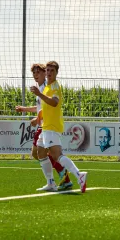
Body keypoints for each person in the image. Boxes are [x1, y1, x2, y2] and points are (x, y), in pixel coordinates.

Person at [31, 61, 88, 193]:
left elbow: (55, 103)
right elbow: (44, 108)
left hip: (52, 126)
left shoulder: (55, 87)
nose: (49, 73)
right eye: (48, 70)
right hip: (46, 126)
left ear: (56, 73)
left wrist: (39, 95)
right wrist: (38, 118)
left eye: (52, 71)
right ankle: (50, 182)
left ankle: (79, 175)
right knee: (40, 152)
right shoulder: (46, 88)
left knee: (57, 155)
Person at [15, 63, 72, 191]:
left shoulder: (46, 87)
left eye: (38, 72)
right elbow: (40, 108)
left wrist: (38, 119)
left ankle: (62, 177)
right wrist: (24, 109)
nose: (36, 75)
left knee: (41, 153)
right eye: (34, 73)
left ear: (43, 73)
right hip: (43, 124)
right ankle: (58, 179)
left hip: (46, 125)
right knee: (40, 153)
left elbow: (50, 106)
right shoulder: (40, 88)